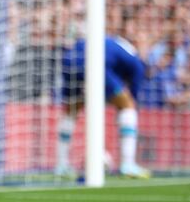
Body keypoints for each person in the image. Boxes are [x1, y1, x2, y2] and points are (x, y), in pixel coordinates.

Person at [56, 36, 151, 179]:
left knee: (72, 110)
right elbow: (134, 92)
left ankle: (62, 165)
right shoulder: (136, 61)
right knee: (128, 105)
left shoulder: (117, 43)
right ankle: (128, 164)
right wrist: (128, 108)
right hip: (95, 61)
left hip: (70, 60)